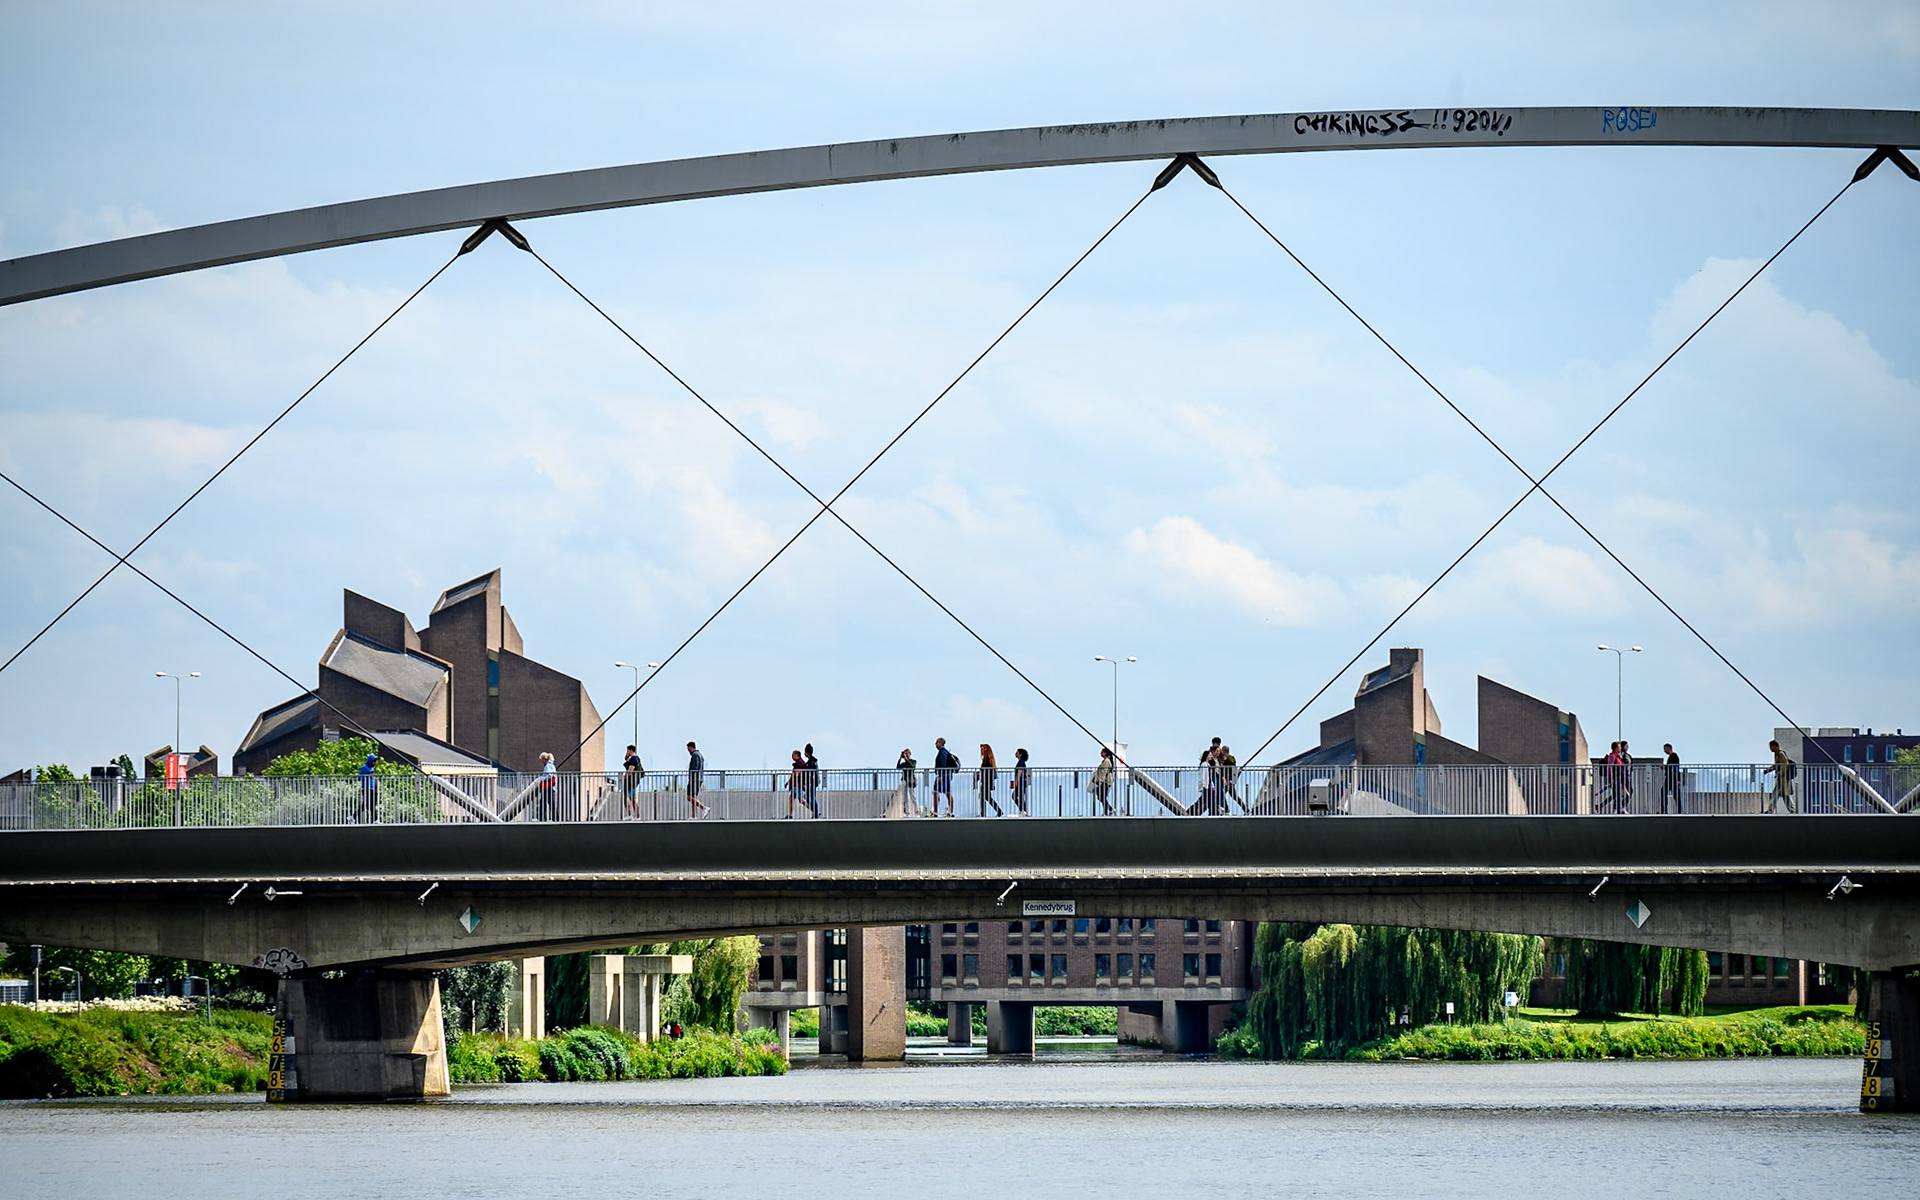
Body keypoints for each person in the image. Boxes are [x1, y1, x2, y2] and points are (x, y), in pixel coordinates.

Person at [1763, 738, 1797, 814]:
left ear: (1775, 746)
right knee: (1785, 795)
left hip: (1783, 779)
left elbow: (1785, 764)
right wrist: (1769, 770)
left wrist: (1781, 773)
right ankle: (1792, 810)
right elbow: (1777, 765)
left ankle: (1771, 810)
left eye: (1771, 747)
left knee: (1775, 794)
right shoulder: (1777, 754)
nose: (1770, 749)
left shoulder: (1781, 753)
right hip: (1782, 778)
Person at [932, 737, 959, 817]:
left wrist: (940, 775)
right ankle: (950, 811)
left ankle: (936, 812)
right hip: (947, 774)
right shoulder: (945, 752)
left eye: (937, 742)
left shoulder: (942, 752)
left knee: (936, 791)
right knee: (947, 792)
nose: (935, 744)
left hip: (943, 775)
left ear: (941, 743)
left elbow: (942, 764)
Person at [685, 741, 710, 817]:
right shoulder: (700, 755)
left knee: (689, 797)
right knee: (694, 797)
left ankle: (704, 807)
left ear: (690, 747)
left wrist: (690, 779)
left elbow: (694, 768)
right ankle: (694, 815)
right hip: (699, 778)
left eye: (688, 749)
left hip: (695, 779)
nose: (688, 751)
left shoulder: (695, 755)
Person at [1090, 747, 1116, 815]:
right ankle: (1108, 810)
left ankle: (1109, 810)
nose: (1100, 753)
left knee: (1101, 796)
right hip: (1105, 781)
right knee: (1101, 796)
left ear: (1105, 753)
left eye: (1102, 752)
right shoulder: (1105, 761)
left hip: (1105, 781)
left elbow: (1104, 771)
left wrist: (1100, 781)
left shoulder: (1106, 761)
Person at [978, 744, 1002, 816]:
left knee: (984, 797)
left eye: (982, 749)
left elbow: (986, 772)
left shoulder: (987, 761)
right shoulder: (988, 760)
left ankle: (983, 814)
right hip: (987, 782)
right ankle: (998, 811)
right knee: (987, 797)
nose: (981, 751)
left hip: (986, 782)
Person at [893, 749, 918, 817]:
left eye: (907, 754)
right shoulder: (904, 764)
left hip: (911, 780)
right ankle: (907, 812)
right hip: (904, 779)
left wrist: (906, 759)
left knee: (912, 796)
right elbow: (898, 767)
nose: (906, 755)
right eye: (905, 754)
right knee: (905, 797)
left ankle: (916, 811)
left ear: (910, 754)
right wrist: (900, 758)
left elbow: (912, 767)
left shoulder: (913, 761)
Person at [622, 744, 645, 818]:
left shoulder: (634, 758)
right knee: (627, 799)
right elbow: (625, 759)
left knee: (632, 799)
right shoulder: (631, 758)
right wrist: (627, 755)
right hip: (630, 781)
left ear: (631, 750)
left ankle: (636, 816)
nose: (627, 752)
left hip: (631, 781)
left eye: (627, 750)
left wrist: (624, 777)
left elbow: (630, 770)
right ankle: (630, 815)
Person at [356, 751, 380, 823]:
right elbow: (359, 777)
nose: (375, 763)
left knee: (370, 804)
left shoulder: (372, 768)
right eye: (374, 761)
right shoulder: (364, 767)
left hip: (372, 788)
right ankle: (375, 819)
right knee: (367, 805)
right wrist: (367, 774)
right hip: (366, 788)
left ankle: (374, 819)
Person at [536, 751, 558, 821]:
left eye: (541, 759)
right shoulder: (551, 765)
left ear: (544, 759)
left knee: (544, 802)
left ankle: (540, 818)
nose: (541, 761)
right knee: (549, 803)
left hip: (548, 787)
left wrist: (541, 779)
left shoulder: (548, 765)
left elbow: (549, 775)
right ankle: (555, 818)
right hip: (551, 787)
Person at [1660, 743, 1681, 814]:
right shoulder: (1673, 756)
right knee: (1674, 794)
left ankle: (1664, 810)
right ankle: (1678, 810)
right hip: (1671, 778)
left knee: (1667, 793)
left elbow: (1673, 768)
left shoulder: (1673, 756)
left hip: (1672, 778)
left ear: (1668, 748)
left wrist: (1677, 779)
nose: (1664, 750)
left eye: (1665, 748)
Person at [786, 750, 806, 819]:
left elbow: (795, 774)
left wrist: (789, 782)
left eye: (793, 755)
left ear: (797, 755)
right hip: (796, 785)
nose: (792, 756)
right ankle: (790, 815)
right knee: (791, 798)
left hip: (797, 785)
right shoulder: (800, 762)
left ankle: (814, 810)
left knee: (801, 800)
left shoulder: (799, 763)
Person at [1011, 748, 1032, 815]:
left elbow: (1019, 772)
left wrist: (1015, 783)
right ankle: (1023, 810)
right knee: (1018, 796)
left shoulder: (1021, 762)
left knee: (1016, 796)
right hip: (1021, 782)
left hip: (1021, 783)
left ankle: (1023, 810)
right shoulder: (1021, 762)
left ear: (1020, 754)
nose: (1015, 754)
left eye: (1017, 753)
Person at [803, 743, 822, 817]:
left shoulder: (810, 763)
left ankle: (816, 813)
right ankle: (815, 813)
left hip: (811, 783)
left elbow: (808, 774)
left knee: (809, 798)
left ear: (807, 753)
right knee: (811, 798)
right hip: (814, 782)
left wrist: (806, 783)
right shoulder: (814, 761)